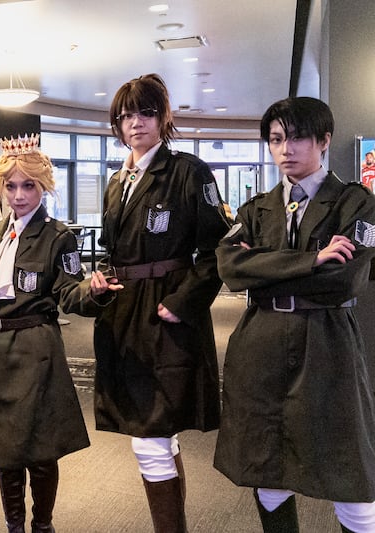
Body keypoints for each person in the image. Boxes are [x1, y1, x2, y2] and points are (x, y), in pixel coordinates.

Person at [213, 96, 375, 533]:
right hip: (260, 343)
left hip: (327, 343)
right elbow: (229, 267)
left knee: (351, 476)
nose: (286, 150)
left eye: (298, 137)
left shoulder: (356, 203)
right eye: (276, 139)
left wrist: (263, 268)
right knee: (267, 471)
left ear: (324, 140)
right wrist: (312, 260)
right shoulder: (256, 208)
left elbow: (346, 280)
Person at [91, 73, 230, 532]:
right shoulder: (117, 181)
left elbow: (216, 252)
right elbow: (114, 250)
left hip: (166, 312)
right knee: (153, 434)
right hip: (123, 311)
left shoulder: (188, 171)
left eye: (145, 112)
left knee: (151, 433)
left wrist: (183, 302)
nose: (136, 123)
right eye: (126, 115)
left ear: (163, 117)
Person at [0, 134, 112, 533]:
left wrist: (93, 291)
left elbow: (68, 291)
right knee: (6, 450)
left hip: (36, 349)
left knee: (41, 451)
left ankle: (42, 525)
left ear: (43, 186)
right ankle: (15, 526)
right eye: (10, 186)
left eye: (28, 185)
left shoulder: (57, 235)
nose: (18, 195)